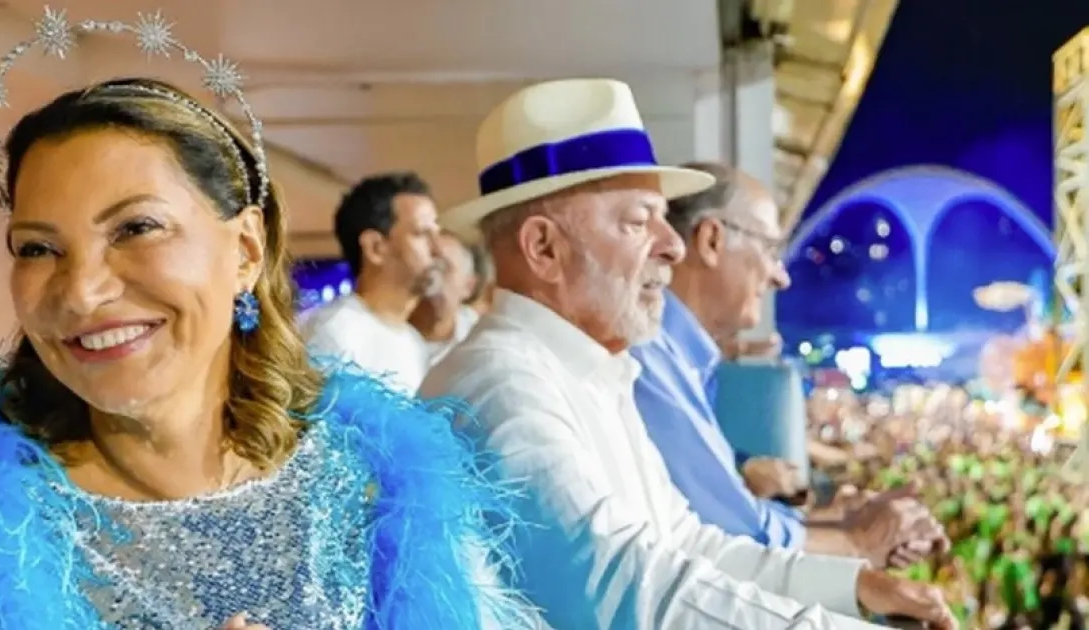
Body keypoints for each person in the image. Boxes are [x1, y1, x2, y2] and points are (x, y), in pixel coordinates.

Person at [0, 74, 534, 628]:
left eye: (136, 228)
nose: (81, 292)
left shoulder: (377, 486)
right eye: (37, 248)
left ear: (246, 250)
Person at [422, 78, 955, 629]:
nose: (673, 245)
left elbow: (686, 543)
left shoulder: (591, 376)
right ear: (544, 248)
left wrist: (855, 588)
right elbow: (626, 593)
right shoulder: (503, 385)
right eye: (637, 222)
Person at [630, 163, 948, 568]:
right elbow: (732, 536)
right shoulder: (649, 356)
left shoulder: (685, 361)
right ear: (711, 240)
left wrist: (842, 522)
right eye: (770, 250)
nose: (781, 277)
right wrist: (858, 540)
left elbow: (728, 516)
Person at [302, 172, 442, 393]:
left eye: (437, 234)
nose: (438, 250)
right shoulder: (336, 332)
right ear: (375, 247)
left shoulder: (413, 342)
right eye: (422, 234)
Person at [409, 230, 481, 361]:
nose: (431, 277)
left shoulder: (479, 339)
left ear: (468, 286)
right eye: (425, 266)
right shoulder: (381, 330)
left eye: (443, 267)